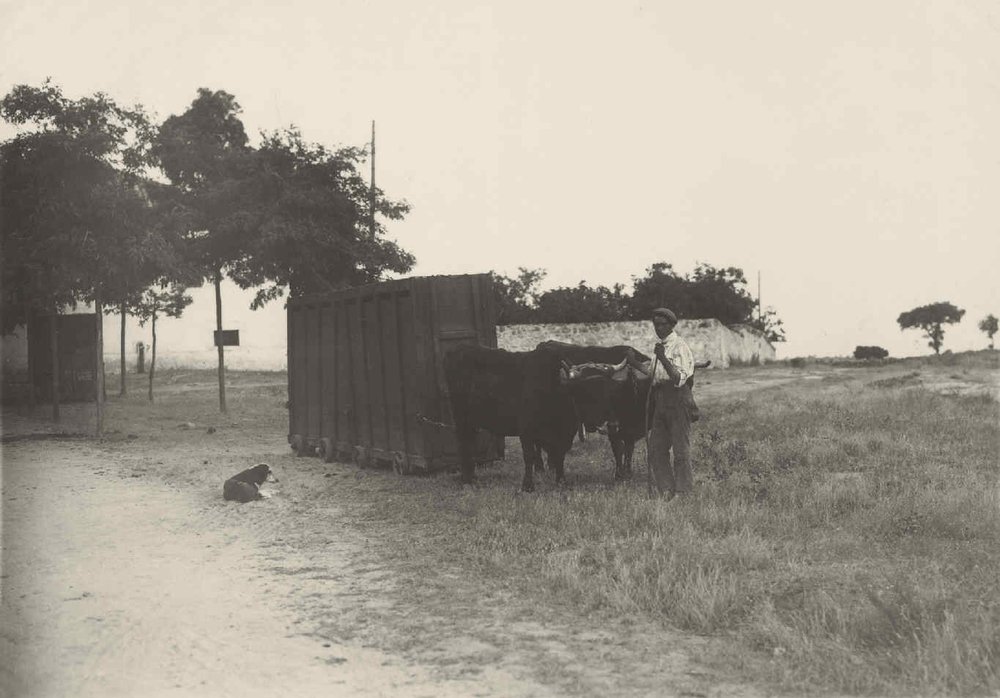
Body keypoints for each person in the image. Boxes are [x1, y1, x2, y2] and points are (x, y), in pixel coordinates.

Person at [647, 307, 696, 500]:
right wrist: (633, 363)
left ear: (672, 325)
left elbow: (678, 379)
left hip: (678, 399)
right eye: (655, 324)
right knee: (656, 448)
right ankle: (666, 489)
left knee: (680, 449)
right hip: (661, 400)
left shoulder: (679, 346)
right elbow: (652, 375)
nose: (658, 328)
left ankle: (683, 492)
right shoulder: (659, 347)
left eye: (662, 324)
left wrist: (662, 358)